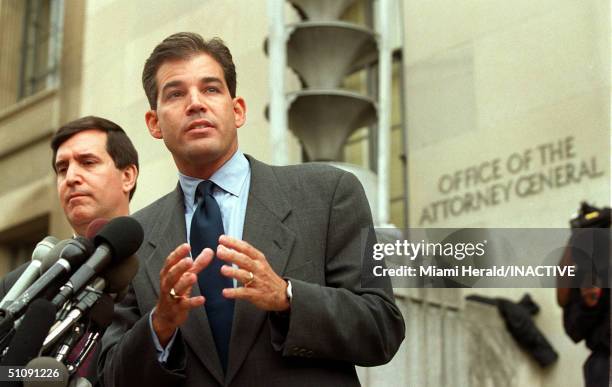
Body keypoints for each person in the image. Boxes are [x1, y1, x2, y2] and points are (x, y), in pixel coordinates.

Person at [99, 32, 405, 387]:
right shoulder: (136, 237)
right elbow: (111, 377)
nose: (195, 103)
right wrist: (160, 324)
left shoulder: (328, 193)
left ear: (238, 110)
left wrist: (287, 296)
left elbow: (382, 327)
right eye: (176, 93)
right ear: (154, 123)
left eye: (211, 89)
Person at [0, 115, 139, 384]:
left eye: (88, 163)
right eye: (62, 169)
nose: (71, 177)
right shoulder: (16, 287)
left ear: (128, 176)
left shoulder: (164, 269)